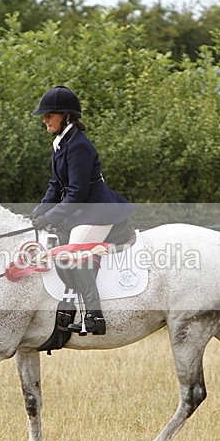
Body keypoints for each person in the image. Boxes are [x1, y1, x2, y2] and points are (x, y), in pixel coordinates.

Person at [30, 85, 135, 335]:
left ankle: (94, 317)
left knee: (74, 253)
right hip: (82, 212)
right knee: (58, 248)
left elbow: (76, 193)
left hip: (98, 211)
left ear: (66, 116)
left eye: (50, 115)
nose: (45, 119)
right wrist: (39, 211)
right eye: (44, 115)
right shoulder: (60, 143)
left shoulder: (79, 146)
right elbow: (56, 185)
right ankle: (68, 305)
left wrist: (49, 217)